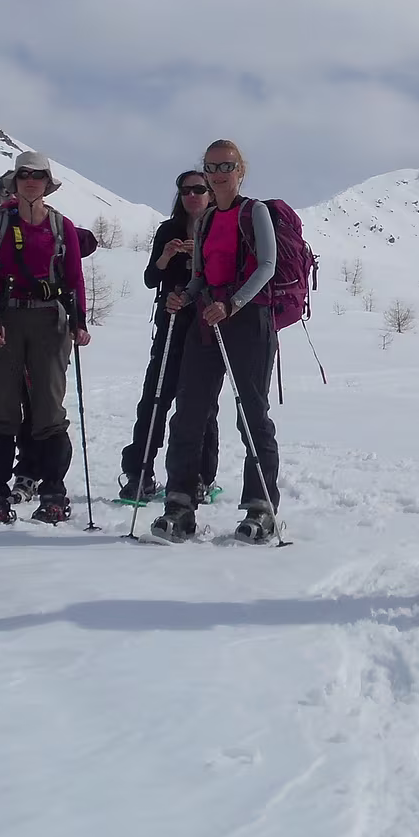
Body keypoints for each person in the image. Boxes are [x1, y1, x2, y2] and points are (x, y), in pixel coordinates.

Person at [152, 140, 281, 543]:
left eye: (227, 165)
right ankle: (179, 502)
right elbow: (199, 276)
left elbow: (267, 266)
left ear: (240, 170)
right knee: (190, 411)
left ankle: (261, 507)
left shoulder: (254, 211)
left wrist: (234, 303)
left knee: (252, 413)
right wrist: (185, 296)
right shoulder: (206, 218)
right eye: (212, 166)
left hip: (249, 322)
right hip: (208, 319)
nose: (219, 173)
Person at [0, 150, 90, 524]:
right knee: (1, 411)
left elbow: (74, 277)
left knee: (49, 412)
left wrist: (79, 321)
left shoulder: (62, 227)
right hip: (5, 320)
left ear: (47, 183)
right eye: (24, 175)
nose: (31, 181)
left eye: (37, 176)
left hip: (50, 322)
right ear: (15, 181)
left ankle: (53, 494)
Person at [118, 171, 220, 504]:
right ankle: (140, 472)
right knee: (155, 396)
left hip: (206, 322)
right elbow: (151, 278)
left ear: (209, 193)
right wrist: (166, 256)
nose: (192, 195)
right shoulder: (168, 230)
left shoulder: (220, 228)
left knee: (203, 402)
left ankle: (201, 476)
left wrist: (198, 259)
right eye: (185, 190)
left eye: (198, 189)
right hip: (171, 320)